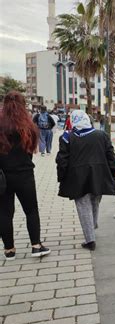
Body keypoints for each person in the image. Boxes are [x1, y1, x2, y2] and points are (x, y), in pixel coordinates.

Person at [56, 110, 115, 250]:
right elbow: (111, 157)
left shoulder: (67, 137)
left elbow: (62, 160)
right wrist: (114, 174)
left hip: (78, 178)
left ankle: (90, 240)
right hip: (99, 176)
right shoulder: (102, 135)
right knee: (95, 201)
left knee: (83, 206)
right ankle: (92, 226)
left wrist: (61, 177)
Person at [0, 91, 50, 260]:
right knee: (31, 210)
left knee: (5, 212)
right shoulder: (27, 126)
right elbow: (31, 150)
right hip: (24, 174)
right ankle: (36, 246)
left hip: (3, 176)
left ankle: (9, 250)